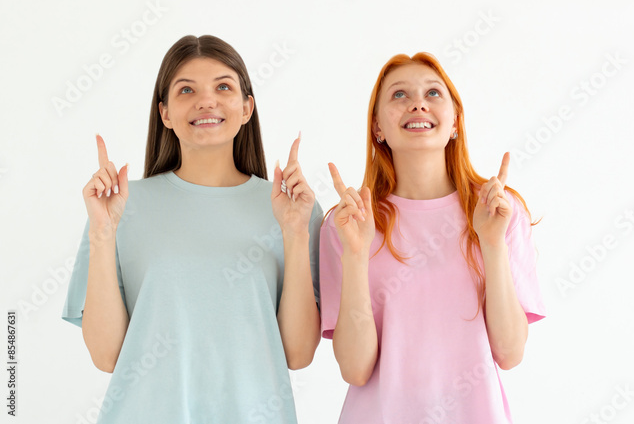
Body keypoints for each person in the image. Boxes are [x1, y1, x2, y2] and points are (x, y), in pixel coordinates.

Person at [62, 35, 323, 423]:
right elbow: (106, 357)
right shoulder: (120, 207)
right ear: (165, 113)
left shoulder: (293, 209)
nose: (207, 101)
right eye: (186, 89)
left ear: (247, 107)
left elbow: (298, 354)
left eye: (223, 86)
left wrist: (295, 233)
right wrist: (102, 233)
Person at [319, 52, 546, 423]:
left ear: (455, 121)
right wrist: (356, 256)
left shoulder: (499, 213)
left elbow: (509, 352)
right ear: (377, 127)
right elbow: (355, 370)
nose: (418, 104)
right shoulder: (348, 224)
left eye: (433, 94)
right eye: (399, 95)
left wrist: (491, 245)